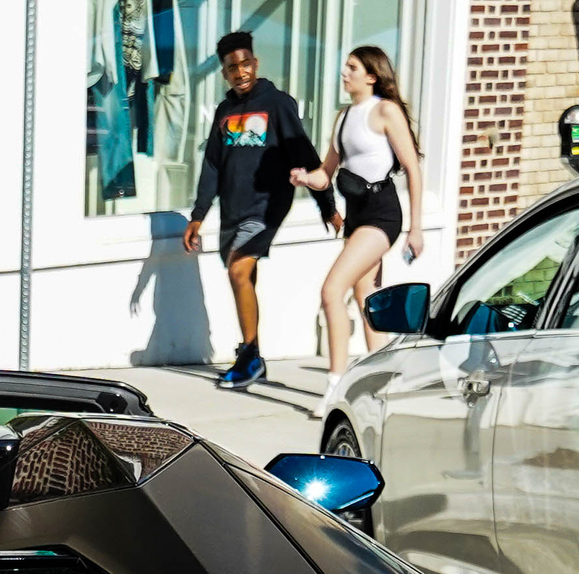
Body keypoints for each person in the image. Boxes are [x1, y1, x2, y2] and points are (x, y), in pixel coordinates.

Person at [179, 32, 333, 390]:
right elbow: (212, 166)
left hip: (267, 205)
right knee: (243, 278)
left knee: (238, 270)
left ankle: (249, 356)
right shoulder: (224, 111)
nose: (240, 72)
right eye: (232, 68)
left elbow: (303, 153)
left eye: (245, 64)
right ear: (224, 73)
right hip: (233, 208)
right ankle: (254, 354)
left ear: (256, 63)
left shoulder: (277, 103)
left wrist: (327, 203)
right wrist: (198, 216)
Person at [291, 46, 425, 404]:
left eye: (352, 67)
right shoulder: (343, 117)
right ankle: (381, 384)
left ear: (371, 75)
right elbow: (326, 174)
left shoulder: (385, 111)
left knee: (332, 290)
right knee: (367, 299)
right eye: (345, 66)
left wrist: (416, 227)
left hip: (383, 214)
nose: (344, 72)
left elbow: (412, 168)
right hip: (357, 215)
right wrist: (306, 179)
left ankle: (336, 386)